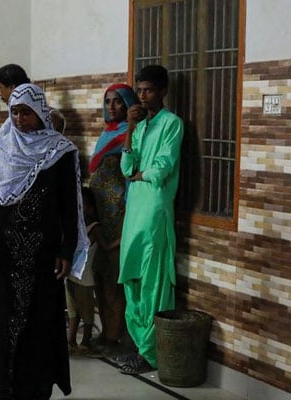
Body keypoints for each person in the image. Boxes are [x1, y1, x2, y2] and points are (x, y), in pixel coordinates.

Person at [0, 83, 88, 399]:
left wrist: (66, 250)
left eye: (27, 112)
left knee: (39, 321)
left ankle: (34, 388)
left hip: (42, 254)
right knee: (1, 321)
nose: (20, 119)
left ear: (40, 113)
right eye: (15, 112)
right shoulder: (2, 145)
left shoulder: (60, 151)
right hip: (3, 253)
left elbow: (69, 206)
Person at [116, 65, 183, 375]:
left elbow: (162, 167)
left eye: (149, 90)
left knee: (152, 277)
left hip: (155, 206)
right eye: (139, 91)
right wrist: (130, 128)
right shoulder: (140, 125)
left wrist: (141, 175)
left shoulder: (172, 123)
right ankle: (138, 344)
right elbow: (127, 167)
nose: (143, 96)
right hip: (136, 206)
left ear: (163, 92)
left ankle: (149, 352)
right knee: (131, 274)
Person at [88, 83, 137, 353]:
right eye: (107, 101)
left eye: (118, 101)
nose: (111, 107)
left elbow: (130, 176)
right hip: (99, 216)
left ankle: (115, 337)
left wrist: (129, 214)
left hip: (119, 215)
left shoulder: (131, 135)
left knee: (115, 279)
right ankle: (107, 331)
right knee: (100, 276)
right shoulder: (106, 133)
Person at [66, 188, 117, 357]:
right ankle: (83, 343)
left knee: (76, 312)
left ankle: (74, 342)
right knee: (85, 313)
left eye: (83, 205)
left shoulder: (83, 227)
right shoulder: (92, 227)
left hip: (73, 275)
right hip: (82, 277)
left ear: (91, 207)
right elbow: (107, 247)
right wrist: (123, 238)